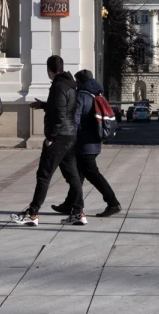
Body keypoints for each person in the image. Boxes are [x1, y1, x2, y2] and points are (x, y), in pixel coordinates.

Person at [11, 55, 86, 227]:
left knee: (43, 176)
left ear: (49, 70)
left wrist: (51, 137)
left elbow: (60, 115)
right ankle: (78, 212)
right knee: (73, 177)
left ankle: (32, 213)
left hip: (59, 138)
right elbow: (65, 109)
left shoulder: (58, 86)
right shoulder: (70, 85)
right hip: (70, 136)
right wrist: (44, 105)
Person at [52, 69, 121, 218]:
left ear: (80, 82)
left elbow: (74, 120)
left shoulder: (81, 96)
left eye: (77, 81)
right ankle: (69, 204)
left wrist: (68, 137)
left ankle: (113, 203)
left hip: (84, 144)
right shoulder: (97, 95)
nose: (75, 84)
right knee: (79, 174)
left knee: (92, 174)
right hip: (94, 143)